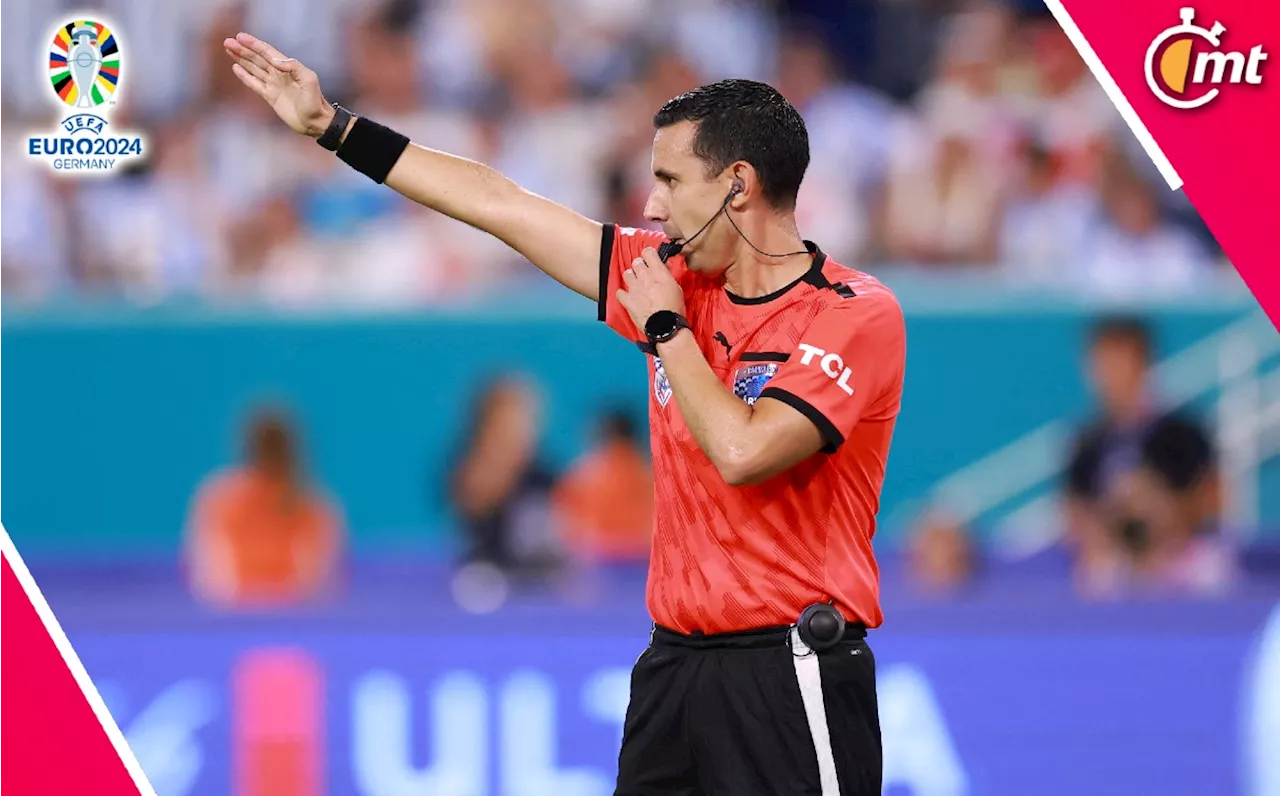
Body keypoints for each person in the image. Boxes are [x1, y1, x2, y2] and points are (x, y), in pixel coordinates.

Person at [223, 32, 906, 795]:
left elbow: (744, 452)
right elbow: (497, 203)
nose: (651, 205)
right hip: (673, 667)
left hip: (791, 668)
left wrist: (666, 330)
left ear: (737, 184)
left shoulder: (851, 314)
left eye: (670, 180)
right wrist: (335, 128)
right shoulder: (667, 276)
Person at [1062, 316, 1232, 598]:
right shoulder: (1087, 442)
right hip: (1115, 562)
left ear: (1143, 361)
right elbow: (1074, 514)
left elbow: (1212, 498)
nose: (1110, 373)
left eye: (1119, 361)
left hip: (1179, 558)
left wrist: (1160, 510)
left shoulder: (1183, 432)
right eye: (1102, 362)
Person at [185, 406, 344, 608]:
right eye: (266, 449)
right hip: (234, 621)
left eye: (275, 450)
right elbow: (214, 578)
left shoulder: (315, 507)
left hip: (295, 622)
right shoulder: (220, 501)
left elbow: (317, 583)